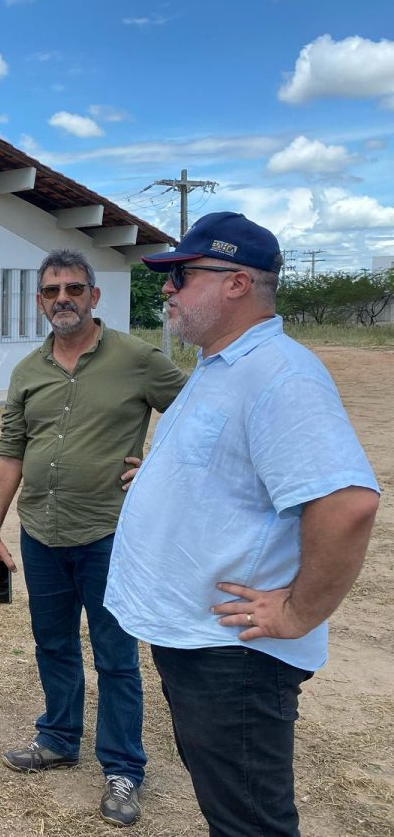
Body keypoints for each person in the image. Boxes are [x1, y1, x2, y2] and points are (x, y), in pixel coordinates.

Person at [105, 212, 381, 837]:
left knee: (251, 822)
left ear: (236, 283)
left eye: (181, 275)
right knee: (230, 808)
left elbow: (346, 504)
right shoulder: (219, 364)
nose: (167, 288)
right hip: (198, 641)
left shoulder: (282, 376)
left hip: (236, 657)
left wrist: (296, 612)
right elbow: (236, 470)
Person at [0, 249, 186, 827]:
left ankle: (123, 768)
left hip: (108, 535)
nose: (63, 298)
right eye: (51, 291)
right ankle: (58, 738)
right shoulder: (28, 371)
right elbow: (10, 451)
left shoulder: (136, 359)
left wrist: (158, 465)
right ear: (40, 300)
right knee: (52, 643)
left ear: (95, 297)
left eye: (74, 288)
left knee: (116, 656)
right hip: (39, 533)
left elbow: (202, 414)